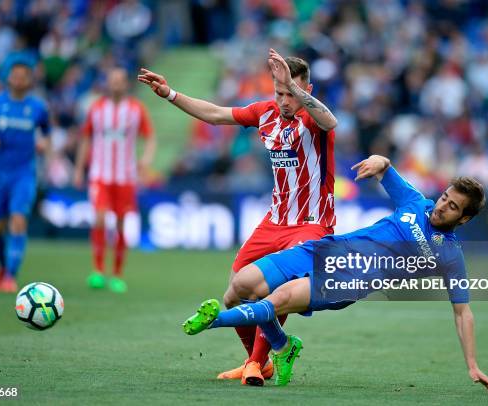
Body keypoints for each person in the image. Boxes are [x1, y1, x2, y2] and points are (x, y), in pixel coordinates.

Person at [182, 154, 488, 394]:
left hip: (348, 280)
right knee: (240, 286)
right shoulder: (416, 202)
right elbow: (386, 168)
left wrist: (472, 364)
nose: (443, 206)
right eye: (445, 197)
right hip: (326, 249)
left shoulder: (449, 255)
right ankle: (282, 345)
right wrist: (379, 161)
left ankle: (212, 322)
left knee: (275, 299)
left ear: (464, 220)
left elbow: (463, 312)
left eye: (453, 207)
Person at [138, 48, 338, 385]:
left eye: (291, 92)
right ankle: (263, 360)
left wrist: (296, 90)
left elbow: (331, 121)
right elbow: (215, 114)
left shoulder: (313, 120)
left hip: (313, 223)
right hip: (275, 220)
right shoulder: (266, 113)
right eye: (279, 92)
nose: (285, 100)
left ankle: (256, 364)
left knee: (277, 288)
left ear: (307, 90)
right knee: (233, 293)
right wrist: (169, 93)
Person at [74, 67, 156, 294]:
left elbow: (150, 138)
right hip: (100, 174)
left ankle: (117, 274)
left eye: (120, 80)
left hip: (125, 176)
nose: (117, 84)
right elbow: (86, 138)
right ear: (107, 83)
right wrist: (79, 169)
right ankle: (98, 271)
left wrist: (145, 161)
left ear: (126, 84)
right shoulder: (97, 108)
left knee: (120, 223)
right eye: (113, 80)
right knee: (99, 219)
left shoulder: (136, 109)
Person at [0, 61, 51, 293]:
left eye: (23, 77)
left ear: (29, 81)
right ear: (8, 79)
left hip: (24, 173)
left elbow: (47, 133)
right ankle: (3, 265)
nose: (18, 80)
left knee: (18, 220)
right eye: (14, 76)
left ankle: (10, 275)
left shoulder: (38, 107)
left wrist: (43, 144)